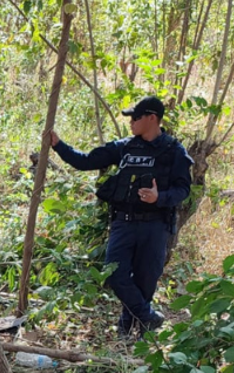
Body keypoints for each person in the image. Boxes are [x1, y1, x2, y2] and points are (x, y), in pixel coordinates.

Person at [49, 96, 193, 338]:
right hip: (123, 222)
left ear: (152, 118)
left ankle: (131, 331)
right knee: (114, 274)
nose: (131, 122)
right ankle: (147, 317)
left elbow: (184, 190)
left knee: (145, 281)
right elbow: (85, 161)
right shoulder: (124, 147)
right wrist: (58, 145)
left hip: (155, 226)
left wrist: (160, 198)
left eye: (136, 117)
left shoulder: (174, 151)